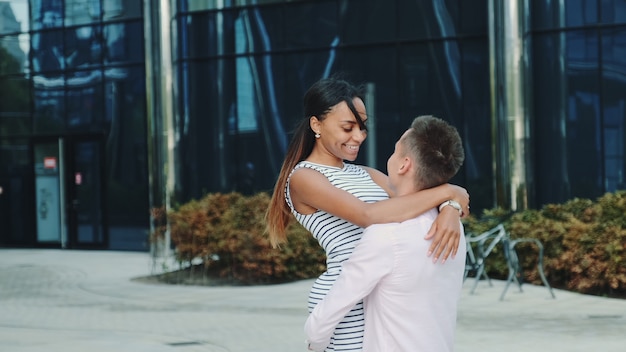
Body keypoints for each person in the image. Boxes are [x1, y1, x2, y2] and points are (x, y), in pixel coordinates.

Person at [265, 77, 469, 351]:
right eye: (348, 127)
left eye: (362, 127)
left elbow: (415, 197)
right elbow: (368, 215)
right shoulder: (304, 177)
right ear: (316, 124)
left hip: (381, 298)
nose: (359, 136)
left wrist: (451, 207)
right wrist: (450, 193)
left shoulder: (367, 174)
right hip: (344, 303)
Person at [304, 115, 467, 352]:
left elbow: (337, 302)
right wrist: (451, 200)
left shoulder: (387, 235)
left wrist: (314, 342)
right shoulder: (453, 226)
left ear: (404, 165)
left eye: (394, 151)